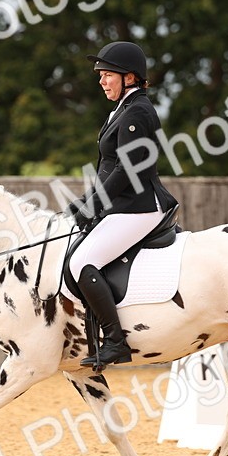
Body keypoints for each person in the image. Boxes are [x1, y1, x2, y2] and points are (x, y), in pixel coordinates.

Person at [67, 41, 179, 368]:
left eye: (107, 75)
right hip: (124, 204)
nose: (101, 81)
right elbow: (108, 167)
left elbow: (127, 168)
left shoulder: (138, 111)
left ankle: (116, 341)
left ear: (129, 77)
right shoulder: (122, 109)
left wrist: (93, 205)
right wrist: (87, 201)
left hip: (140, 206)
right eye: (100, 75)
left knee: (82, 262)